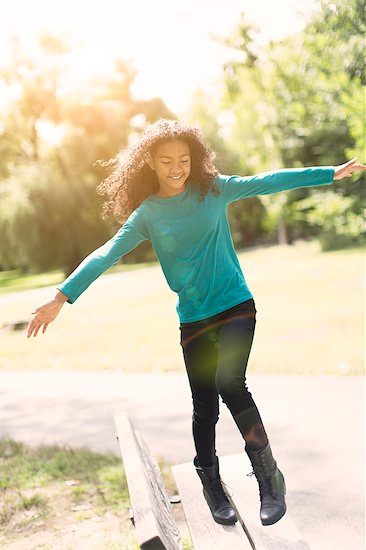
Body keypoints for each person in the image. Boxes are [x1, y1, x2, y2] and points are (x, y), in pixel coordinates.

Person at [27, 118, 365, 527]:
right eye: (167, 161)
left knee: (230, 384)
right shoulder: (148, 214)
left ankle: (269, 479)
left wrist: (330, 172)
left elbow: (269, 180)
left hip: (236, 306)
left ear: (195, 159)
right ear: (149, 162)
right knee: (204, 406)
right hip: (194, 319)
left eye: (184, 160)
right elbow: (106, 253)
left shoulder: (214, 188)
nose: (176, 168)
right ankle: (212, 485)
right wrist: (60, 296)